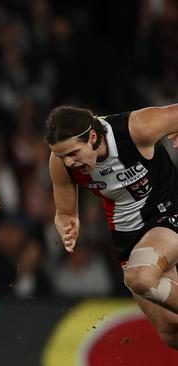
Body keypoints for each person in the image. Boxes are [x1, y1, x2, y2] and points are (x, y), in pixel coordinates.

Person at [45, 104, 178, 349]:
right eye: (62, 155)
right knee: (171, 332)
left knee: (140, 277)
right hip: (127, 236)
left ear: (93, 137)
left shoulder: (137, 128)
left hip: (167, 210)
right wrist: (67, 227)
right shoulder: (60, 162)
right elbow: (65, 212)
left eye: (73, 153)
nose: (69, 162)